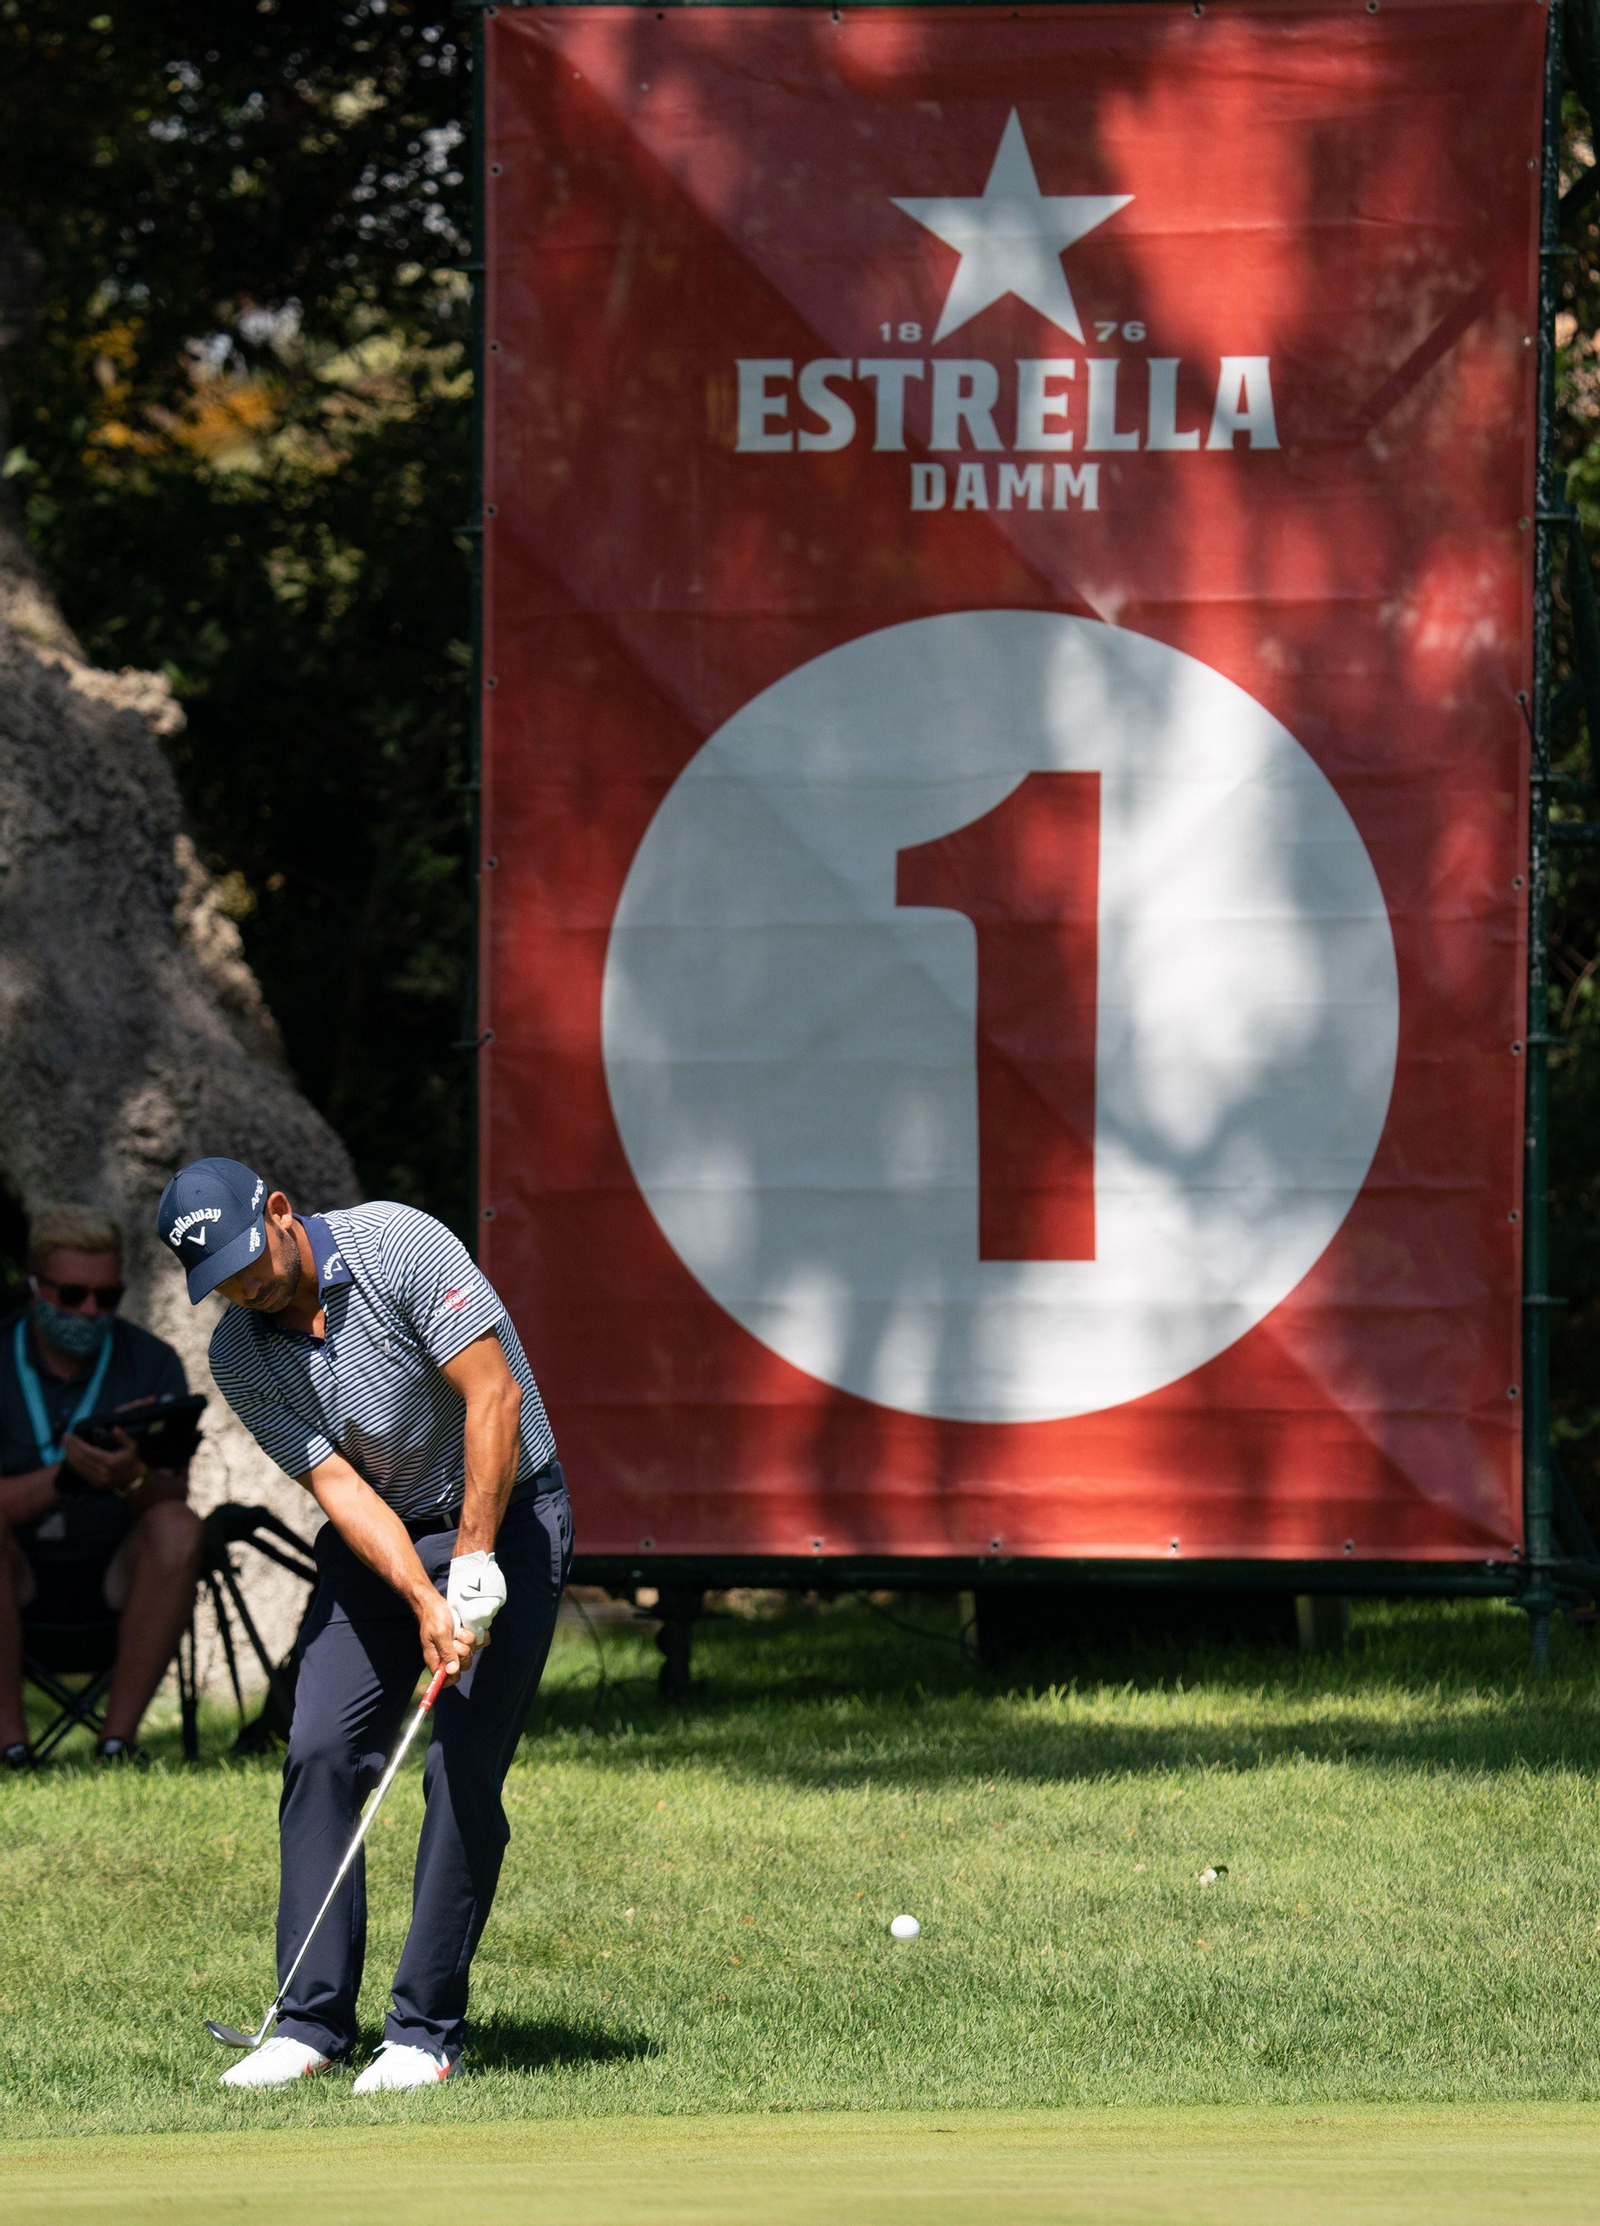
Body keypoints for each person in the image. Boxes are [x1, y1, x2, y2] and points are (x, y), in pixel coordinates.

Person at [156, 1157, 572, 2094]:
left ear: (279, 1210)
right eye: (218, 1278)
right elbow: (338, 1487)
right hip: (383, 1537)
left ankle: (423, 2032)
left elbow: (492, 1395)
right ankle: (308, 2024)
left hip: (508, 1513)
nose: (243, 1285)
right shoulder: (241, 1354)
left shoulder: (400, 1244)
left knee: (458, 1761)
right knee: (317, 1748)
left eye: (244, 1258)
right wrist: (424, 1601)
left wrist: (470, 1563)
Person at [0, 1203, 203, 1767]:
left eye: (105, 1298)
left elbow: (173, 1495)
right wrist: (66, 1477)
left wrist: (132, 1477)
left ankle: (116, 1744)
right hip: (17, 1577)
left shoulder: (152, 1362)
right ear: (33, 1288)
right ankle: (10, 1747)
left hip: (120, 1574)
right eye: (71, 1296)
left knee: (178, 1527)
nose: (89, 1311)